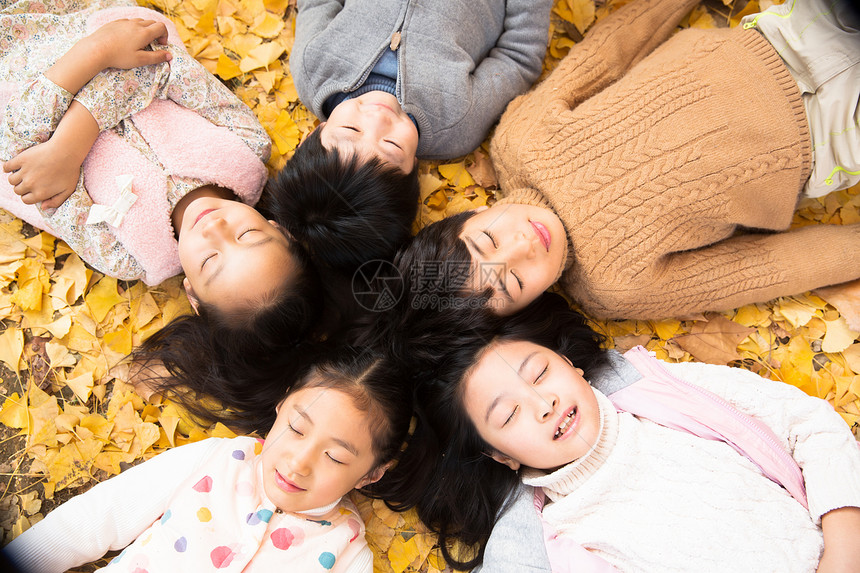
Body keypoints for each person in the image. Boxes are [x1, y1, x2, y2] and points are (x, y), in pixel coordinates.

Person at [0, 0, 420, 431]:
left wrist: (97, 60)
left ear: (193, 295)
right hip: (80, 20)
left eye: (210, 261)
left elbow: (25, 157)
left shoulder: (127, 255)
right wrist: (78, 120)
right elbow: (165, 64)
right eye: (249, 236)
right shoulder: (245, 151)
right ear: (278, 229)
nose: (216, 228)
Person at [395, 0, 860, 320]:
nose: (523, 247)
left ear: (475, 213)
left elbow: (610, 51)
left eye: (488, 242)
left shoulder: (520, 141)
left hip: (775, 39)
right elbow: (758, 268)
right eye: (515, 282)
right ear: (532, 303)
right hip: (829, 141)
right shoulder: (616, 288)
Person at [396, 292, 860, 571]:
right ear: (500, 455)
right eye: (508, 416)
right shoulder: (552, 536)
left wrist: (844, 551)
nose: (542, 405)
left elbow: (809, 424)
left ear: (573, 366)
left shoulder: (666, 388)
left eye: (540, 374)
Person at [4, 346, 412, 573]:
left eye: (334, 457)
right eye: (298, 428)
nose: (298, 462)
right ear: (282, 402)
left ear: (371, 473)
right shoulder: (218, 460)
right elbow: (98, 517)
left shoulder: (347, 554)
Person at [289, 0, 554, 170]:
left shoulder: (312, 66)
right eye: (392, 145)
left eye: (351, 128)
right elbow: (518, 56)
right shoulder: (458, 120)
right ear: (413, 168)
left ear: (313, 135)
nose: (378, 119)